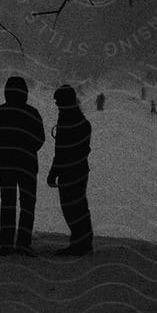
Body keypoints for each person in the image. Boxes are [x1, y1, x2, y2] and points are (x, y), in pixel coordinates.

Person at [0, 75, 45, 257]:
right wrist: (26, 149)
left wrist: (5, 152)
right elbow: (39, 138)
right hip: (28, 164)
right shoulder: (32, 113)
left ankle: (6, 242)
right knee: (27, 204)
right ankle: (23, 242)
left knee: (7, 203)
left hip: (5, 165)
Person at [48, 85, 94, 256]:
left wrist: (54, 172)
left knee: (73, 207)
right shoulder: (80, 121)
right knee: (78, 207)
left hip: (70, 171)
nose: (57, 104)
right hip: (79, 170)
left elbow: (61, 151)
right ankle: (83, 242)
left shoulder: (68, 121)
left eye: (58, 101)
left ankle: (80, 243)